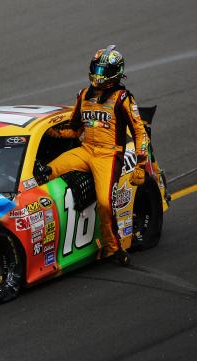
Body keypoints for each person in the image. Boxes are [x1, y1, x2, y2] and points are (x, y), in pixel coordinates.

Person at [43, 45, 149, 265]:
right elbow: (75, 129)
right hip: (86, 149)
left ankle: (113, 248)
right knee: (48, 171)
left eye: (103, 71)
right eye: (96, 70)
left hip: (109, 156)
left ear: (115, 73)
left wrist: (140, 163)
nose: (98, 75)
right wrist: (53, 133)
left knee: (104, 202)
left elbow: (140, 131)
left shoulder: (123, 98)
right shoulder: (83, 95)